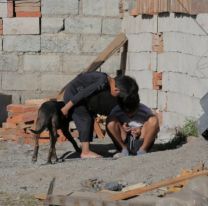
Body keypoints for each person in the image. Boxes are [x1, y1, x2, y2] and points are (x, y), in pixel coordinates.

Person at [61, 71, 138, 159]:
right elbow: (84, 93)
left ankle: (85, 147)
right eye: (119, 95)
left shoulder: (107, 80)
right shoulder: (102, 80)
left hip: (78, 93)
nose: (117, 97)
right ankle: (85, 152)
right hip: (74, 95)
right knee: (85, 118)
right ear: (117, 89)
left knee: (88, 117)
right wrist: (66, 107)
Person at [106, 90, 160, 157]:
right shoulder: (116, 111)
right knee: (110, 120)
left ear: (137, 105)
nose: (129, 116)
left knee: (154, 120)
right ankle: (124, 150)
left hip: (141, 139)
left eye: (133, 112)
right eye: (126, 113)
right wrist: (122, 127)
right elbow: (114, 126)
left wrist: (140, 129)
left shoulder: (145, 111)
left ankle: (143, 150)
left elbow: (153, 127)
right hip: (124, 141)